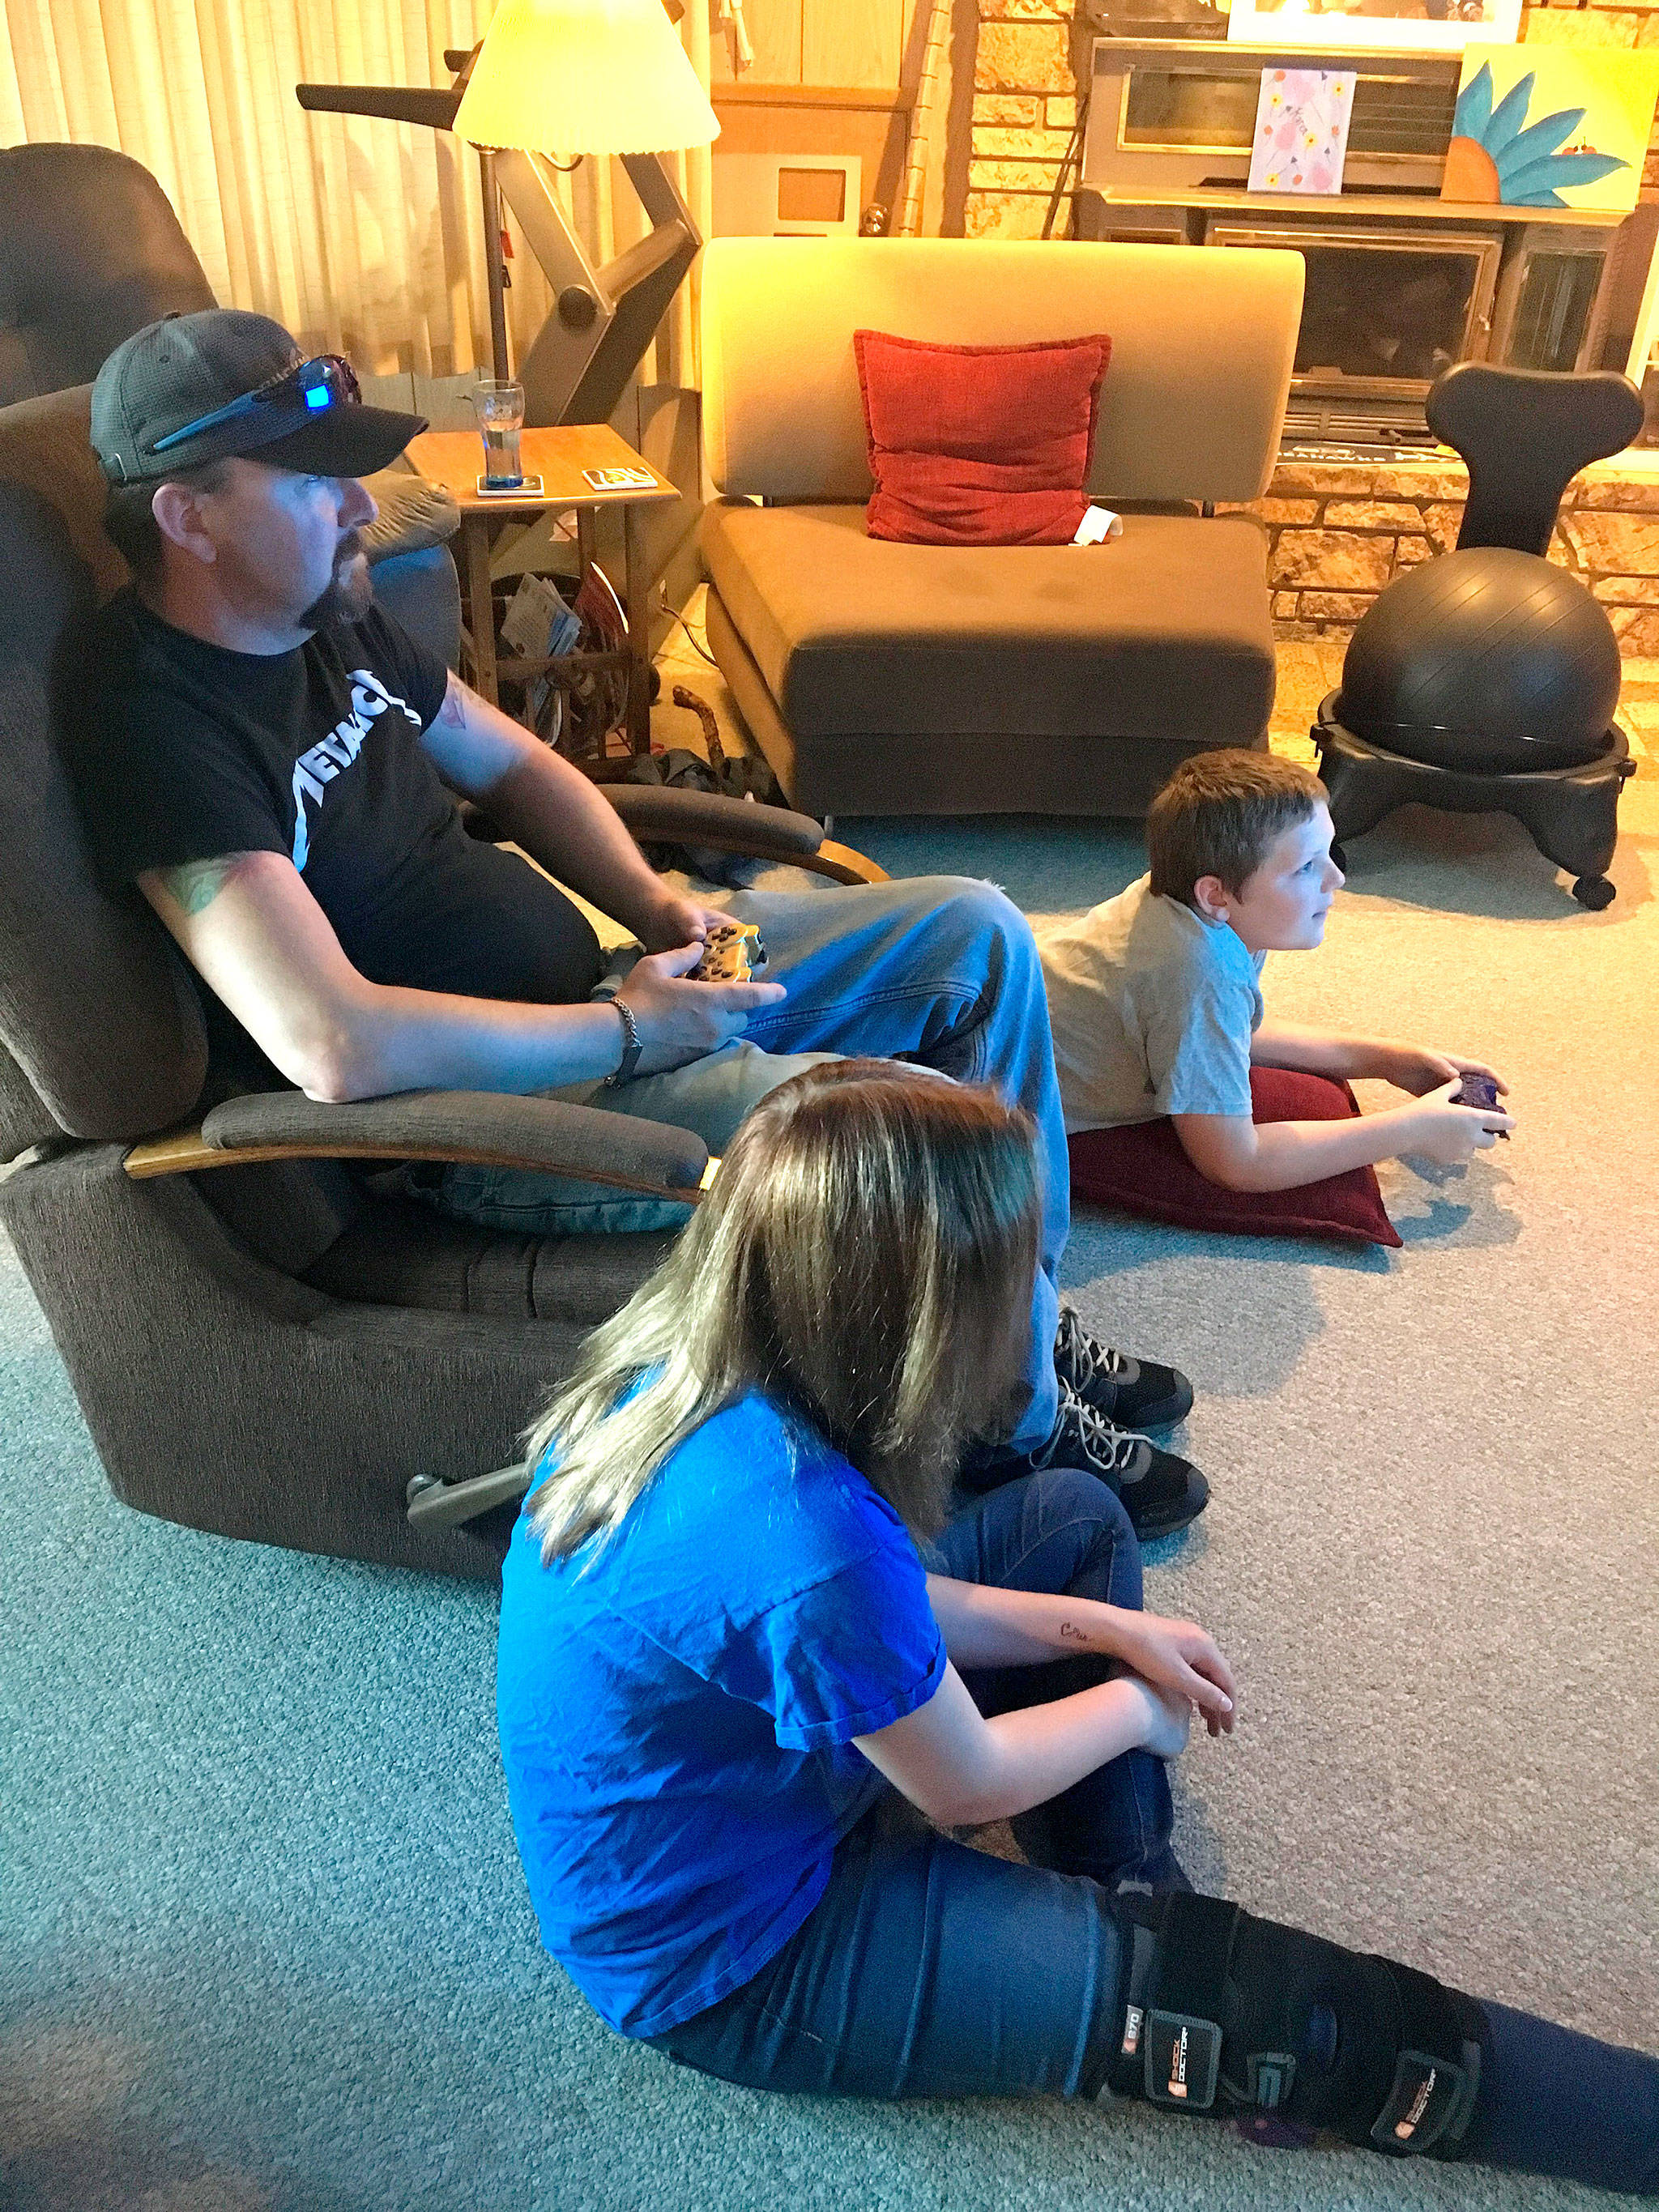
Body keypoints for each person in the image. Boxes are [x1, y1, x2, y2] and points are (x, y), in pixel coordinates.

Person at [70, 305, 1204, 1536]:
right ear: (188, 516)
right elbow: (331, 1043)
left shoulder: (317, 610)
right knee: (896, 1126)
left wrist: (669, 913)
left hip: (606, 993)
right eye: (314, 485)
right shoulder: (152, 723)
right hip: (498, 1116)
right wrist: (625, 1033)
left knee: (975, 932)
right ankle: (1015, 1410)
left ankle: (1008, 1322)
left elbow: (514, 766)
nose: (359, 510)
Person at [497, 1060, 1658, 2193]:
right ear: (907, 1316)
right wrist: (1135, 1704)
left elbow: (877, 1612)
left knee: (1074, 1520)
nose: (1042, 1302)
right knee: (1276, 2013)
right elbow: (967, 1781)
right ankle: (1180, 1967)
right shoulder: (803, 1535)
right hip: (736, 1953)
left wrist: (1097, 1630)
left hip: (782, 1740)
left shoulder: (701, 1362)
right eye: (1020, 1277)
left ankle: (1129, 1901)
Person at [1037, 750, 1515, 1192]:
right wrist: (1413, 1129)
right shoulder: (1199, 972)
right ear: (1216, 894)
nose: (1337, 878)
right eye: (1307, 866)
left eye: (1329, 852)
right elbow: (1236, 1164)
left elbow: (1234, 1033)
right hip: (987, 1098)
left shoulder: (1195, 904)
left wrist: (1392, 1059)